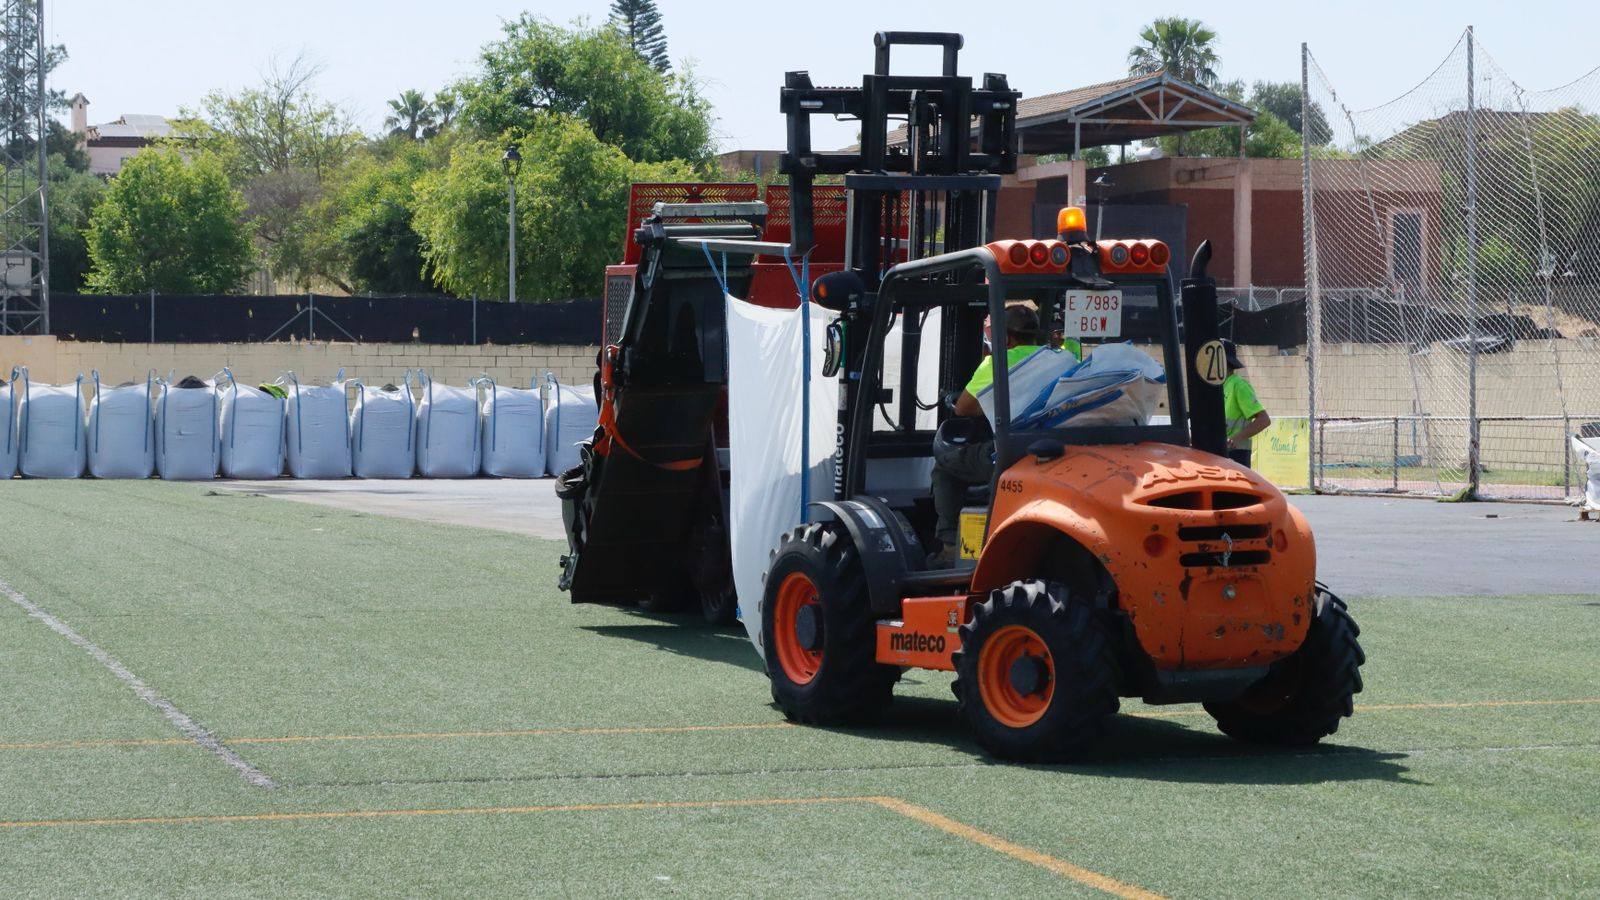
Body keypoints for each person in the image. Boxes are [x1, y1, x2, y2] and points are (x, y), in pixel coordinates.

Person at [932, 304, 1061, 565]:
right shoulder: (1058, 359)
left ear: (1006, 338)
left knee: (944, 467)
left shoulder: (995, 363)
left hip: (1010, 453)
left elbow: (964, 408)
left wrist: (954, 399)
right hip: (1052, 448)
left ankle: (948, 545)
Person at [1221, 339, 1270, 467]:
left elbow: (1264, 420)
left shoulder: (1238, 385)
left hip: (1236, 454)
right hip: (1219, 453)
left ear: (1223, 361)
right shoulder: (1217, 386)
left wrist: (1235, 439)